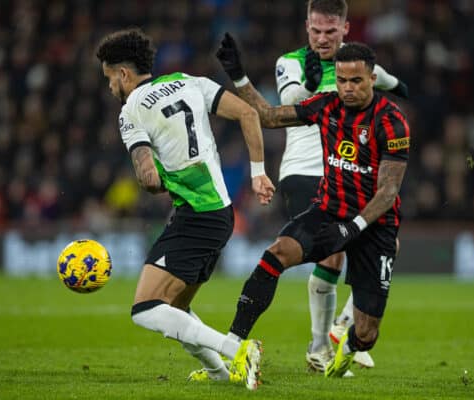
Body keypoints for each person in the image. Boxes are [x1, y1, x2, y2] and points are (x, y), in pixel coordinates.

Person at [216, 37, 410, 377]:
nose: (347, 88)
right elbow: (268, 116)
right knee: (274, 255)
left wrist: (354, 228)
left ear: (372, 79)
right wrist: (239, 75)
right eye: (342, 80)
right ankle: (232, 347)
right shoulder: (327, 105)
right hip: (328, 212)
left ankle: (348, 348)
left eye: (356, 81)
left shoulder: (391, 121)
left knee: (367, 334)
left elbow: (388, 190)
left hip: (374, 226)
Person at [95, 28, 276, 390]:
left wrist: (162, 179)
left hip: (195, 215)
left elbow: (147, 178)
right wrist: (259, 174)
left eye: (110, 78)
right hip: (221, 213)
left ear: (123, 74)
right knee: (173, 307)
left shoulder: (131, 111)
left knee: (146, 310)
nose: (111, 87)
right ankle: (219, 374)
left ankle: (236, 349)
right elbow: (249, 114)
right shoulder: (189, 82)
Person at [279, 0, 409, 372]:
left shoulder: (361, 67)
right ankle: (319, 347)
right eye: (316, 31)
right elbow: (288, 103)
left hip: (352, 170)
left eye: (330, 31)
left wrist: (396, 94)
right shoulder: (291, 62)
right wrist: (309, 79)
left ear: (345, 28)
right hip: (305, 170)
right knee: (331, 254)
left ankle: (342, 328)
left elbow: (400, 87)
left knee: (388, 245)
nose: (322, 38)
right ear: (306, 27)